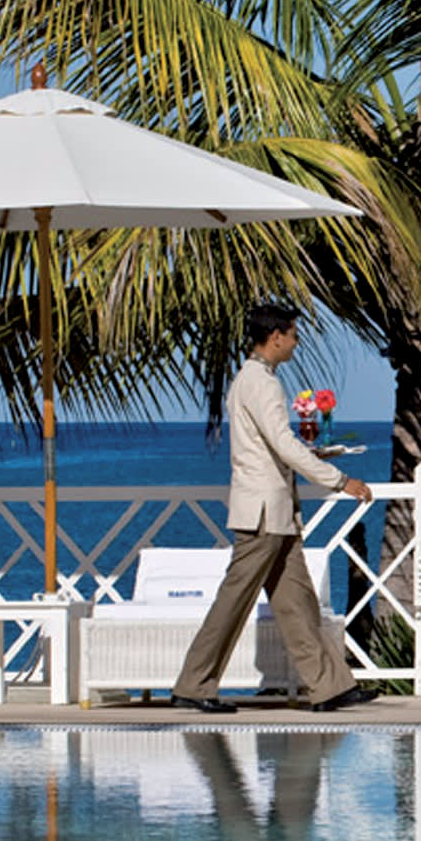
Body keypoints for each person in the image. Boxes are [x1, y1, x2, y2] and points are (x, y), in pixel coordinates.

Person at [171, 304, 376, 714]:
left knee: (297, 602)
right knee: (233, 601)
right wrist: (339, 479)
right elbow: (282, 444)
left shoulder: (253, 379)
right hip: (263, 514)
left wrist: (310, 459)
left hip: (277, 513)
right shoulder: (260, 383)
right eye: (294, 335)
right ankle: (194, 685)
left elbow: (273, 446)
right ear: (276, 336)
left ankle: (330, 687)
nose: (297, 343)